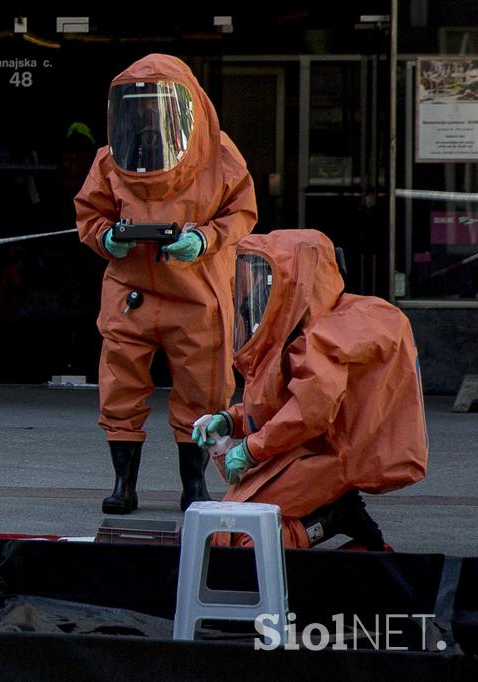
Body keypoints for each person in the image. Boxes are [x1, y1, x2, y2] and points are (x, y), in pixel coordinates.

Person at [75, 53, 257, 514]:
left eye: (160, 106)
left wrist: (203, 239)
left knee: (203, 387)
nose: (149, 118)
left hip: (195, 291)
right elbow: (90, 213)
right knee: (119, 384)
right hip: (131, 289)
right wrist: (108, 238)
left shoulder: (219, 155)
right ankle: (123, 485)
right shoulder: (112, 158)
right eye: (140, 107)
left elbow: (241, 214)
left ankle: (194, 485)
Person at [194, 229, 428, 549]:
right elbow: (284, 402)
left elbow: (308, 412)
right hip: (312, 450)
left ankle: (334, 517)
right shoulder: (308, 331)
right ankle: (346, 523)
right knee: (227, 528)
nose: (259, 298)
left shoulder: (325, 336)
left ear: (295, 283)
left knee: (244, 538)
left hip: (330, 456)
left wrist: (251, 449)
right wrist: (230, 419)